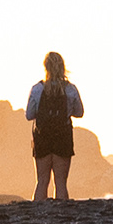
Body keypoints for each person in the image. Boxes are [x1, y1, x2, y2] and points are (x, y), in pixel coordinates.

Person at [24, 51, 85, 202]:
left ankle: (38, 214)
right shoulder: (70, 89)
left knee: (42, 181)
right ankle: (62, 216)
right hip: (62, 137)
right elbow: (79, 113)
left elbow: (29, 115)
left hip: (42, 138)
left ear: (45, 67)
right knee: (61, 183)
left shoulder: (37, 89)